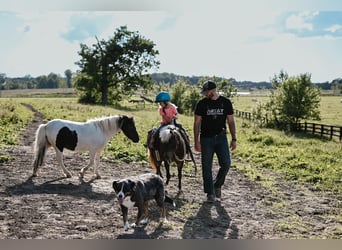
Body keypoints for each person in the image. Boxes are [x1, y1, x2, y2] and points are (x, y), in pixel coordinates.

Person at [193, 80, 237, 203]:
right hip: (206, 138)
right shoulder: (201, 104)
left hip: (221, 137)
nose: (205, 94)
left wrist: (234, 139)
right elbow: (197, 123)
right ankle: (210, 193)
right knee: (206, 166)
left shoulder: (225, 102)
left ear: (213, 90)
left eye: (207, 92)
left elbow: (231, 121)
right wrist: (196, 141)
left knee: (226, 163)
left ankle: (217, 184)